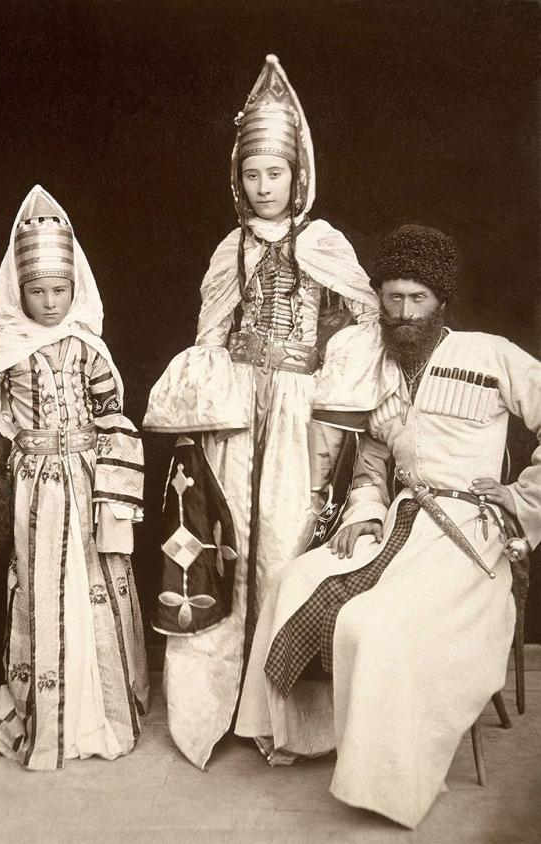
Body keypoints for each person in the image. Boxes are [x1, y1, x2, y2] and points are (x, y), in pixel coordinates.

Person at [235, 224, 541, 828]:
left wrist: (521, 497)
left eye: (417, 298)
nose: (403, 313)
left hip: (468, 535)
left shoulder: (490, 354)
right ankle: (304, 735)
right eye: (393, 297)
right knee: (294, 581)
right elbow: (372, 463)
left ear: (441, 301)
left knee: (376, 624)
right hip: (398, 525)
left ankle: (382, 780)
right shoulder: (376, 369)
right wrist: (364, 512)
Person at [142, 55, 389, 770]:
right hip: (236, 415)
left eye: (274, 173)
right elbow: (210, 334)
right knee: (229, 545)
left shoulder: (324, 242)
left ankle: (277, 717)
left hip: (296, 413)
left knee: (284, 548)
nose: (263, 186)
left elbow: (365, 318)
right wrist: (208, 401)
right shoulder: (233, 248)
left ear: (297, 174)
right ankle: (217, 709)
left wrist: (327, 381)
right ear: (238, 177)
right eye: (251, 174)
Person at [0, 186, 149, 770]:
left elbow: (112, 415)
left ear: (76, 288)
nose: (50, 303)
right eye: (38, 291)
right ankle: (49, 720)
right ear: (18, 291)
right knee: (41, 584)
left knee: (96, 582)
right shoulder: (7, 348)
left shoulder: (88, 348)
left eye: (60, 290)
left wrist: (115, 492)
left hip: (87, 479)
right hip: (35, 487)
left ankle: (102, 712)